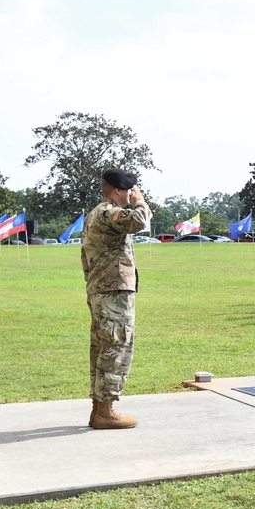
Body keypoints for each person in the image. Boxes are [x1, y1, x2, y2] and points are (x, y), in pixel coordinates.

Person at [81, 168, 152, 429]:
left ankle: (99, 409)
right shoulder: (108, 212)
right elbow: (138, 221)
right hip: (112, 292)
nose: (132, 193)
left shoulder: (97, 214)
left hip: (104, 290)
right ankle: (106, 410)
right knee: (116, 347)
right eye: (130, 189)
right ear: (120, 190)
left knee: (103, 348)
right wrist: (140, 201)